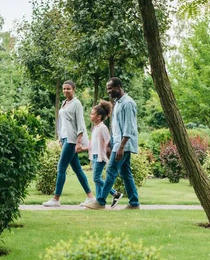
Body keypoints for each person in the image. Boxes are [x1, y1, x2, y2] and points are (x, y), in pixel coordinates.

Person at [86, 77, 140, 210]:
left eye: (110, 88)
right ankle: (134, 203)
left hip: (123, 145)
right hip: (117, 144)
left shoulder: (128, 103)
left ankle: (100, 201)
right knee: (126, 173)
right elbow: (116, 127)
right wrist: (110, 143)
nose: (108, 91)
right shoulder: (118, 103)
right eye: (107, 89)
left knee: (111, 170)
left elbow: (129, 127)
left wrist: (121, 146)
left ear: (118, 87)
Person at [42, 80, 95, 207]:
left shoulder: (76, 103)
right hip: (66, 139)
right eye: (64, 89)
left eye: (68, 89)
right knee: (77, 169)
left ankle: (56, 198)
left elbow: (80, 124)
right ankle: (91, 196)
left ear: (74, 89)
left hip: (72, 140)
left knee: (61, 168)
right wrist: (61, 138)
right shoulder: (64, 103)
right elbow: (62, 123)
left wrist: (78, 142)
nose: (66, 91)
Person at [81, 100, 123, 209]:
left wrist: (106, 154)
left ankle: (115, 193)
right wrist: (83, 149)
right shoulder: (95, 128)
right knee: (97, 180)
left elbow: (108, 141)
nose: (90, 115)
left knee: (96, 178)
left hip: (100, 157)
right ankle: (99, 202)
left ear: (99, 117)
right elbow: (93, 144)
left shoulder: (103, 128)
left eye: (92, 114)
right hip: (94, 157)